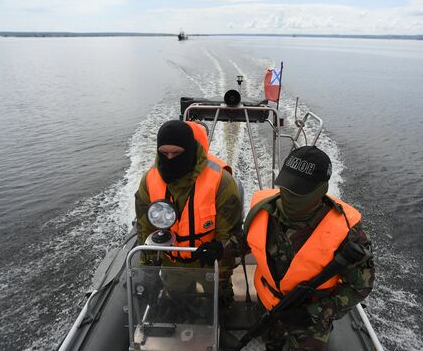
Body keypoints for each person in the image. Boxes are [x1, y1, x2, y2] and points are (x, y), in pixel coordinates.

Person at [244, 146, 375, 350]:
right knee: (270, 343)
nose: (287, 195)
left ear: (320, 190)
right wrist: (219, 248)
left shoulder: (349, 234)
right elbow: (247, 239)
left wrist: (314, 312)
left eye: (299, 191)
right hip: (267, 304)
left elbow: (360, 287)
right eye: (286, 186)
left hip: (309, 322)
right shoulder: (263, 209)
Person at [134, 119, 243, 305]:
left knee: (220, 303)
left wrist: (221, 258)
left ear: (191, 150)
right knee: (180, 304)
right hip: (172, 263)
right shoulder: (149, 181)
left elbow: (230, 233)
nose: (170, 158)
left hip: (210, 262)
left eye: (176, 153)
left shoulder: (221, 182)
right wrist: (148, 268)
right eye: (164, 153)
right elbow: (145, 227)